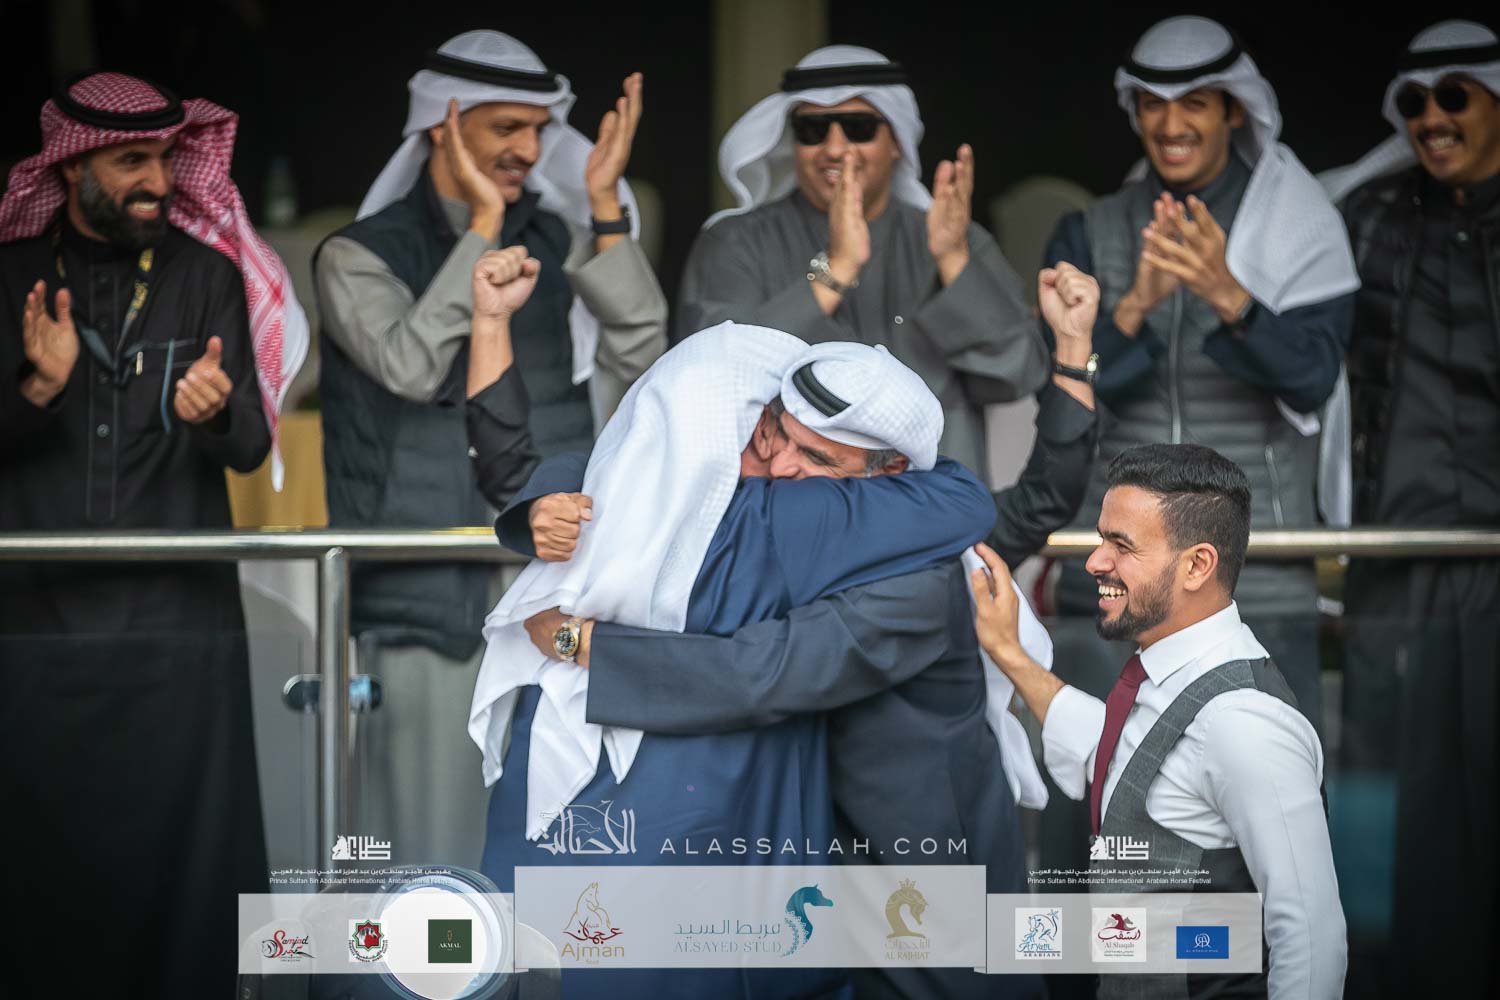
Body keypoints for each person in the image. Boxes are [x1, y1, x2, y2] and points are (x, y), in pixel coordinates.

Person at [510, 263, 1100, 1000]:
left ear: (891, 474)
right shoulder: (788, 502)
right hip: (817, 876)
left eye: (818, 457)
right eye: (777, 437)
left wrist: (580, 643)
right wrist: (544, 499)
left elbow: (765, 672)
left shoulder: (922, 578)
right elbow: (641, 456)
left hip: (920, 878)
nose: (782, 466)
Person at [313, 29, 668, 867]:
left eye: (538, 129)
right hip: (425, 607)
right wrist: (481, 229)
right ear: (442, 126)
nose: (529, 150)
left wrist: (605, 209)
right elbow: (411, 363)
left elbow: (644, 359)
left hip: (555, 595)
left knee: (564, 856)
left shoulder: (558, 237)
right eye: (505, 127)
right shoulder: (356, 254)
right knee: (432, 856)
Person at [0, 72, 307, 999]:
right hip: (30, 637)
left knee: (188, 877)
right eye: (134, 162)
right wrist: (38, 388)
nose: (161, 182)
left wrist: (213, 413)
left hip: (179, 636)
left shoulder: (205, 276)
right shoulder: (11, 277)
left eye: (169, 159)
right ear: (72, 167)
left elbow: (250, 448)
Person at [1042, 13, 1359, 750]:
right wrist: (1133, 307)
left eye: (1195, 103)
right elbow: (1061, 396)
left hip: (1258, 566)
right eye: (1153, 104)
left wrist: (1228, 295)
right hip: (1116, 567)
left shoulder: (1296, 224)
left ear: (1233, 110)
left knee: (1267, 783)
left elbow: (1313, 380)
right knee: (1107, 781)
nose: (1171, 124)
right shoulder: (1091, 230)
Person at [973, 443, 1346, 999]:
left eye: (1121, 546)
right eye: (1101, 539)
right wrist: (1009, 652)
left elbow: (1312, 943)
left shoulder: (1245, 724)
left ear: (1197, 565)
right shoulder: (1170, 677)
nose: (1095, 562)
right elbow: (1117, 754)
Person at [1319, 20, 1500, 997]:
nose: (1432, 118)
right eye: (1416, 104)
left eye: (1455, 97)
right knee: (1389, 792)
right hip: (1399, 550)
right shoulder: (1371, 220)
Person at [677, 44, 1049, 481]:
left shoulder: (951, 238)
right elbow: (709, 380)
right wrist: (835, 270)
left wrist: (953, 262)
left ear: (897, 142)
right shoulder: (735, 241)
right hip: (791, 498)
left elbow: (1017, 376)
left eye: (858, 128)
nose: (835, 148)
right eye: (813, 130)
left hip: (930, 501)